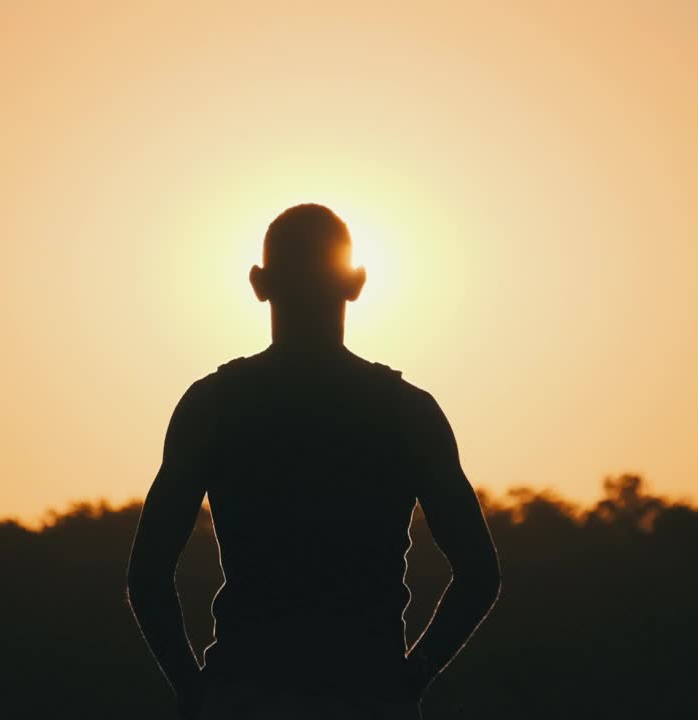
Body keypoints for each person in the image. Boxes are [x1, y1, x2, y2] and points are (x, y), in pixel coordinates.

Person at [127, 204, 501, 719]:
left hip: (244, 695)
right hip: (369, 695)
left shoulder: (213, 406)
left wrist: (191, 691)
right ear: (356, 283)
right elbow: (479, 572)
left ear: (259, 284)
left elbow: (148, 574)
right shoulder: (407, 411)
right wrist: (412, 679)